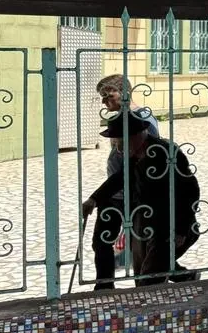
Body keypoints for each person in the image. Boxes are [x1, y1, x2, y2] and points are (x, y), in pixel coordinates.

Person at [82, 110, 201, 286]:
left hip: (170, 227)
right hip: (147, 225)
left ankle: (173, 285)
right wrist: (93, 200)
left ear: (135, 136)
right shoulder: (135, 155)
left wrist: (181, 230)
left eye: (120, 141)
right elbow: (121, 178)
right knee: (143, 278)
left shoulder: (165, 152)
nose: (118, 148)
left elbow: (190, 190)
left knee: (149, 280)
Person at [91, 74, 160, 290]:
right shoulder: (120, 118)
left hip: (132, 194)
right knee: (102, 242)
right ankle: (104, 288)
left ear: (125, 93)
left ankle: (169, 278)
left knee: (139, 244)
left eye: (108, 95)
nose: (104, 101)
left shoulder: (142, 119)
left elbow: (144, 161)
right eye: (102, 97)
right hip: (114, 193)